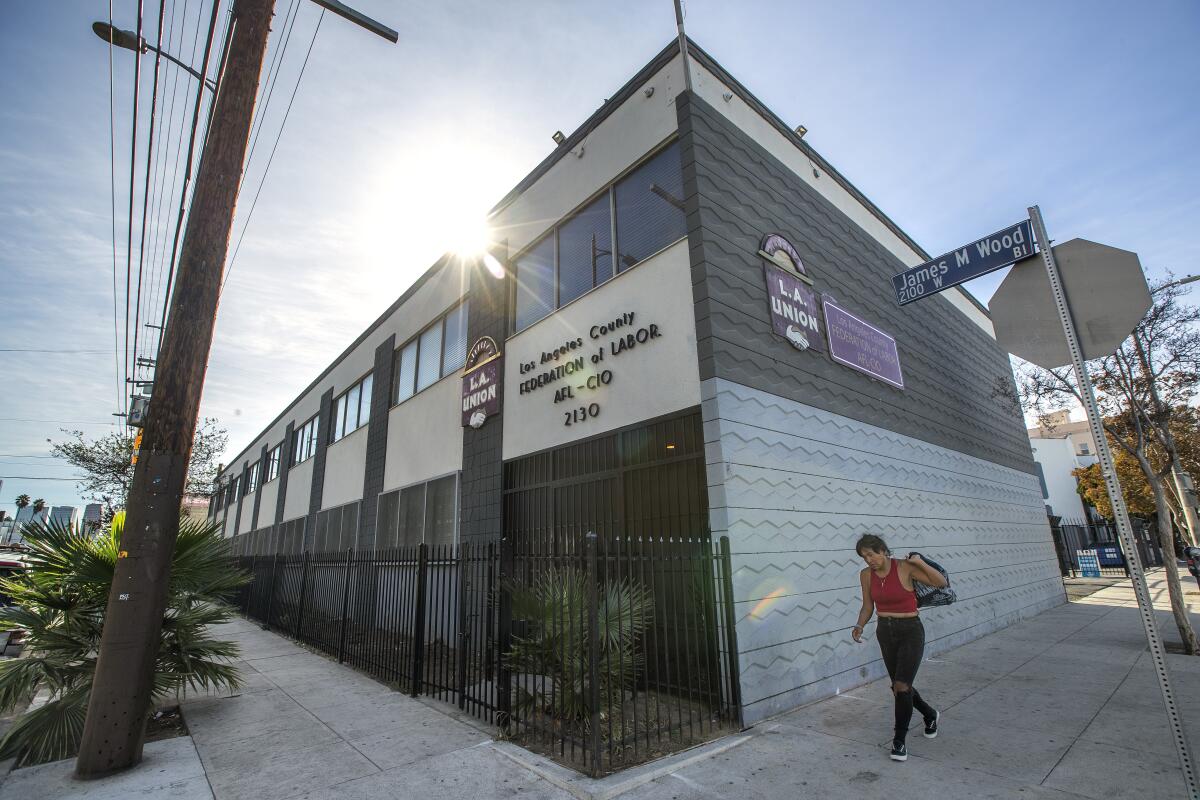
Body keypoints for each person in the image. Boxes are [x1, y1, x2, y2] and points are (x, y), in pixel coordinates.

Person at [851, 533, 948, 762]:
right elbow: (868, 605)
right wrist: (859, 625)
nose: (869, 560)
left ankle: (899, 741)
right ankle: (929, 714)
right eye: (864, 557)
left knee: (902, 686)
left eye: (871, 554)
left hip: (910, 630)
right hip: (885, 631)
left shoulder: (905, 567)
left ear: (883, 550)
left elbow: (940, 582)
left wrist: (919, 562)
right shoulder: (865, 575)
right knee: (897, 687)